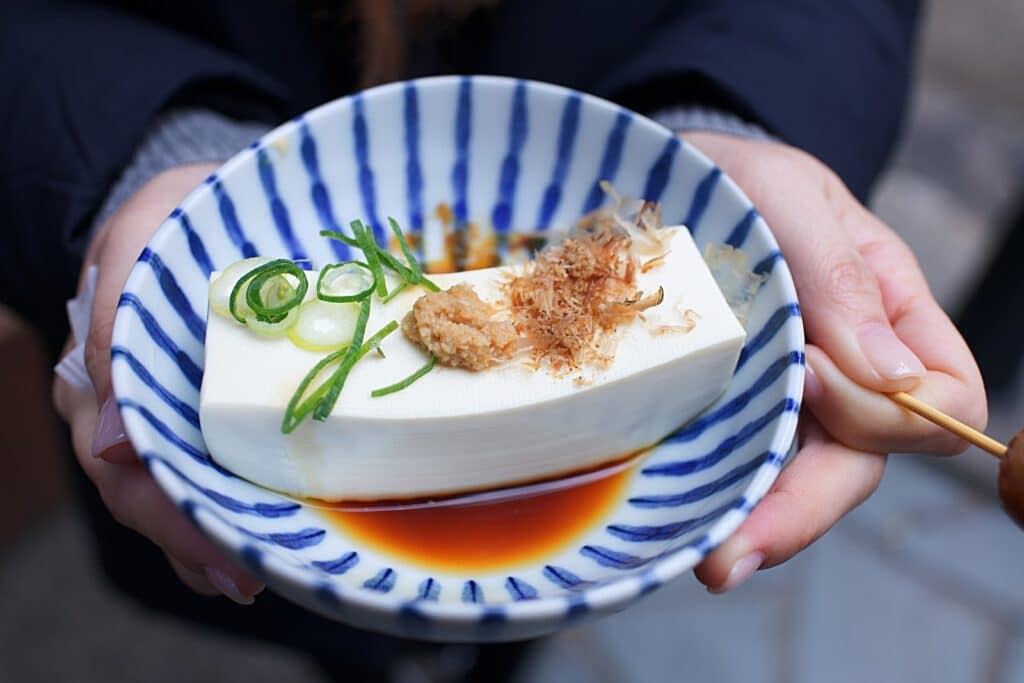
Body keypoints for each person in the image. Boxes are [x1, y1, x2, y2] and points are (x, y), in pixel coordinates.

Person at [2, 0, 987, 679]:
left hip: (618, 223)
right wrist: (139, 157)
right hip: (262, 509)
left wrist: (724, 142)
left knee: (496, 645)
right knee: (325, 636)